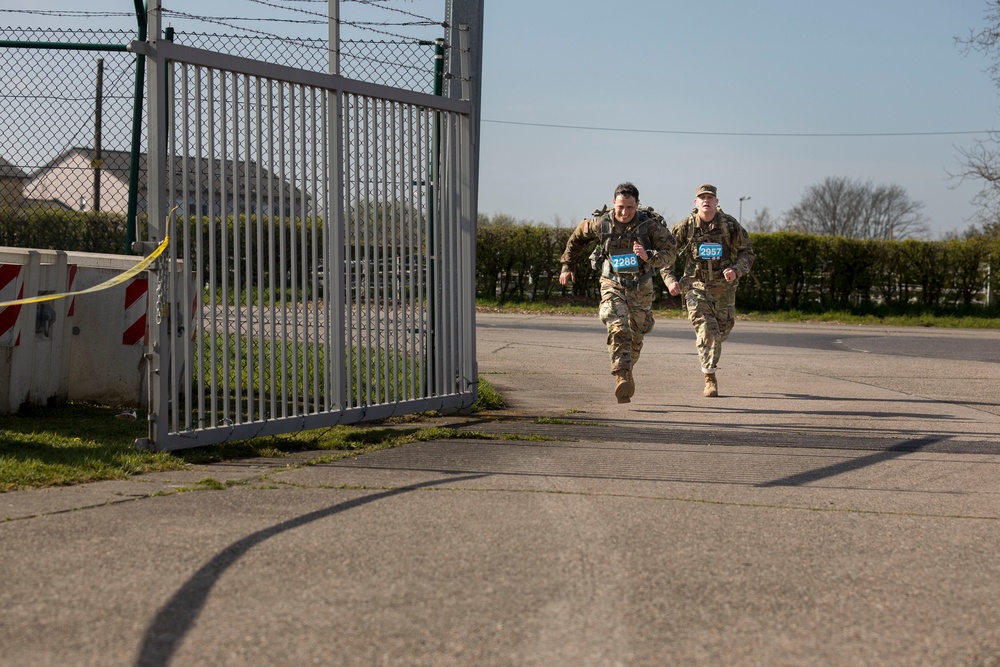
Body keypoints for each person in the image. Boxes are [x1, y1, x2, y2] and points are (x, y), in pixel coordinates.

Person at [559, 182, 677, 403]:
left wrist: (649, 255)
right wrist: (567, 266)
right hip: (612, 281)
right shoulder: (600, 224)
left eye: (630, 207)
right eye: (621, 206)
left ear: (637, 205)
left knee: (638, 333)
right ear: (614, 203)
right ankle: (621, 375)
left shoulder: (649, 225)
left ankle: (628, 367)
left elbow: (671, 253)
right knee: (617, 325)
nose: (624, 212)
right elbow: (576, 238)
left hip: (641, 285)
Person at [662, 184, 755, 397]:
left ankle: (710, 349)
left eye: (710, 197)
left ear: (717, 202)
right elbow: (667, 255)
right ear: (695, 203)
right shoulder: (685, 227)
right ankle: (710, 378)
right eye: (702, 197)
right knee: (708, 330)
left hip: (724, 289)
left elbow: (747, 253)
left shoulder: (729, 225)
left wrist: (736, 270)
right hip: (695, 287)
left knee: (723, 329)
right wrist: (669, 280)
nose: (706, 200)